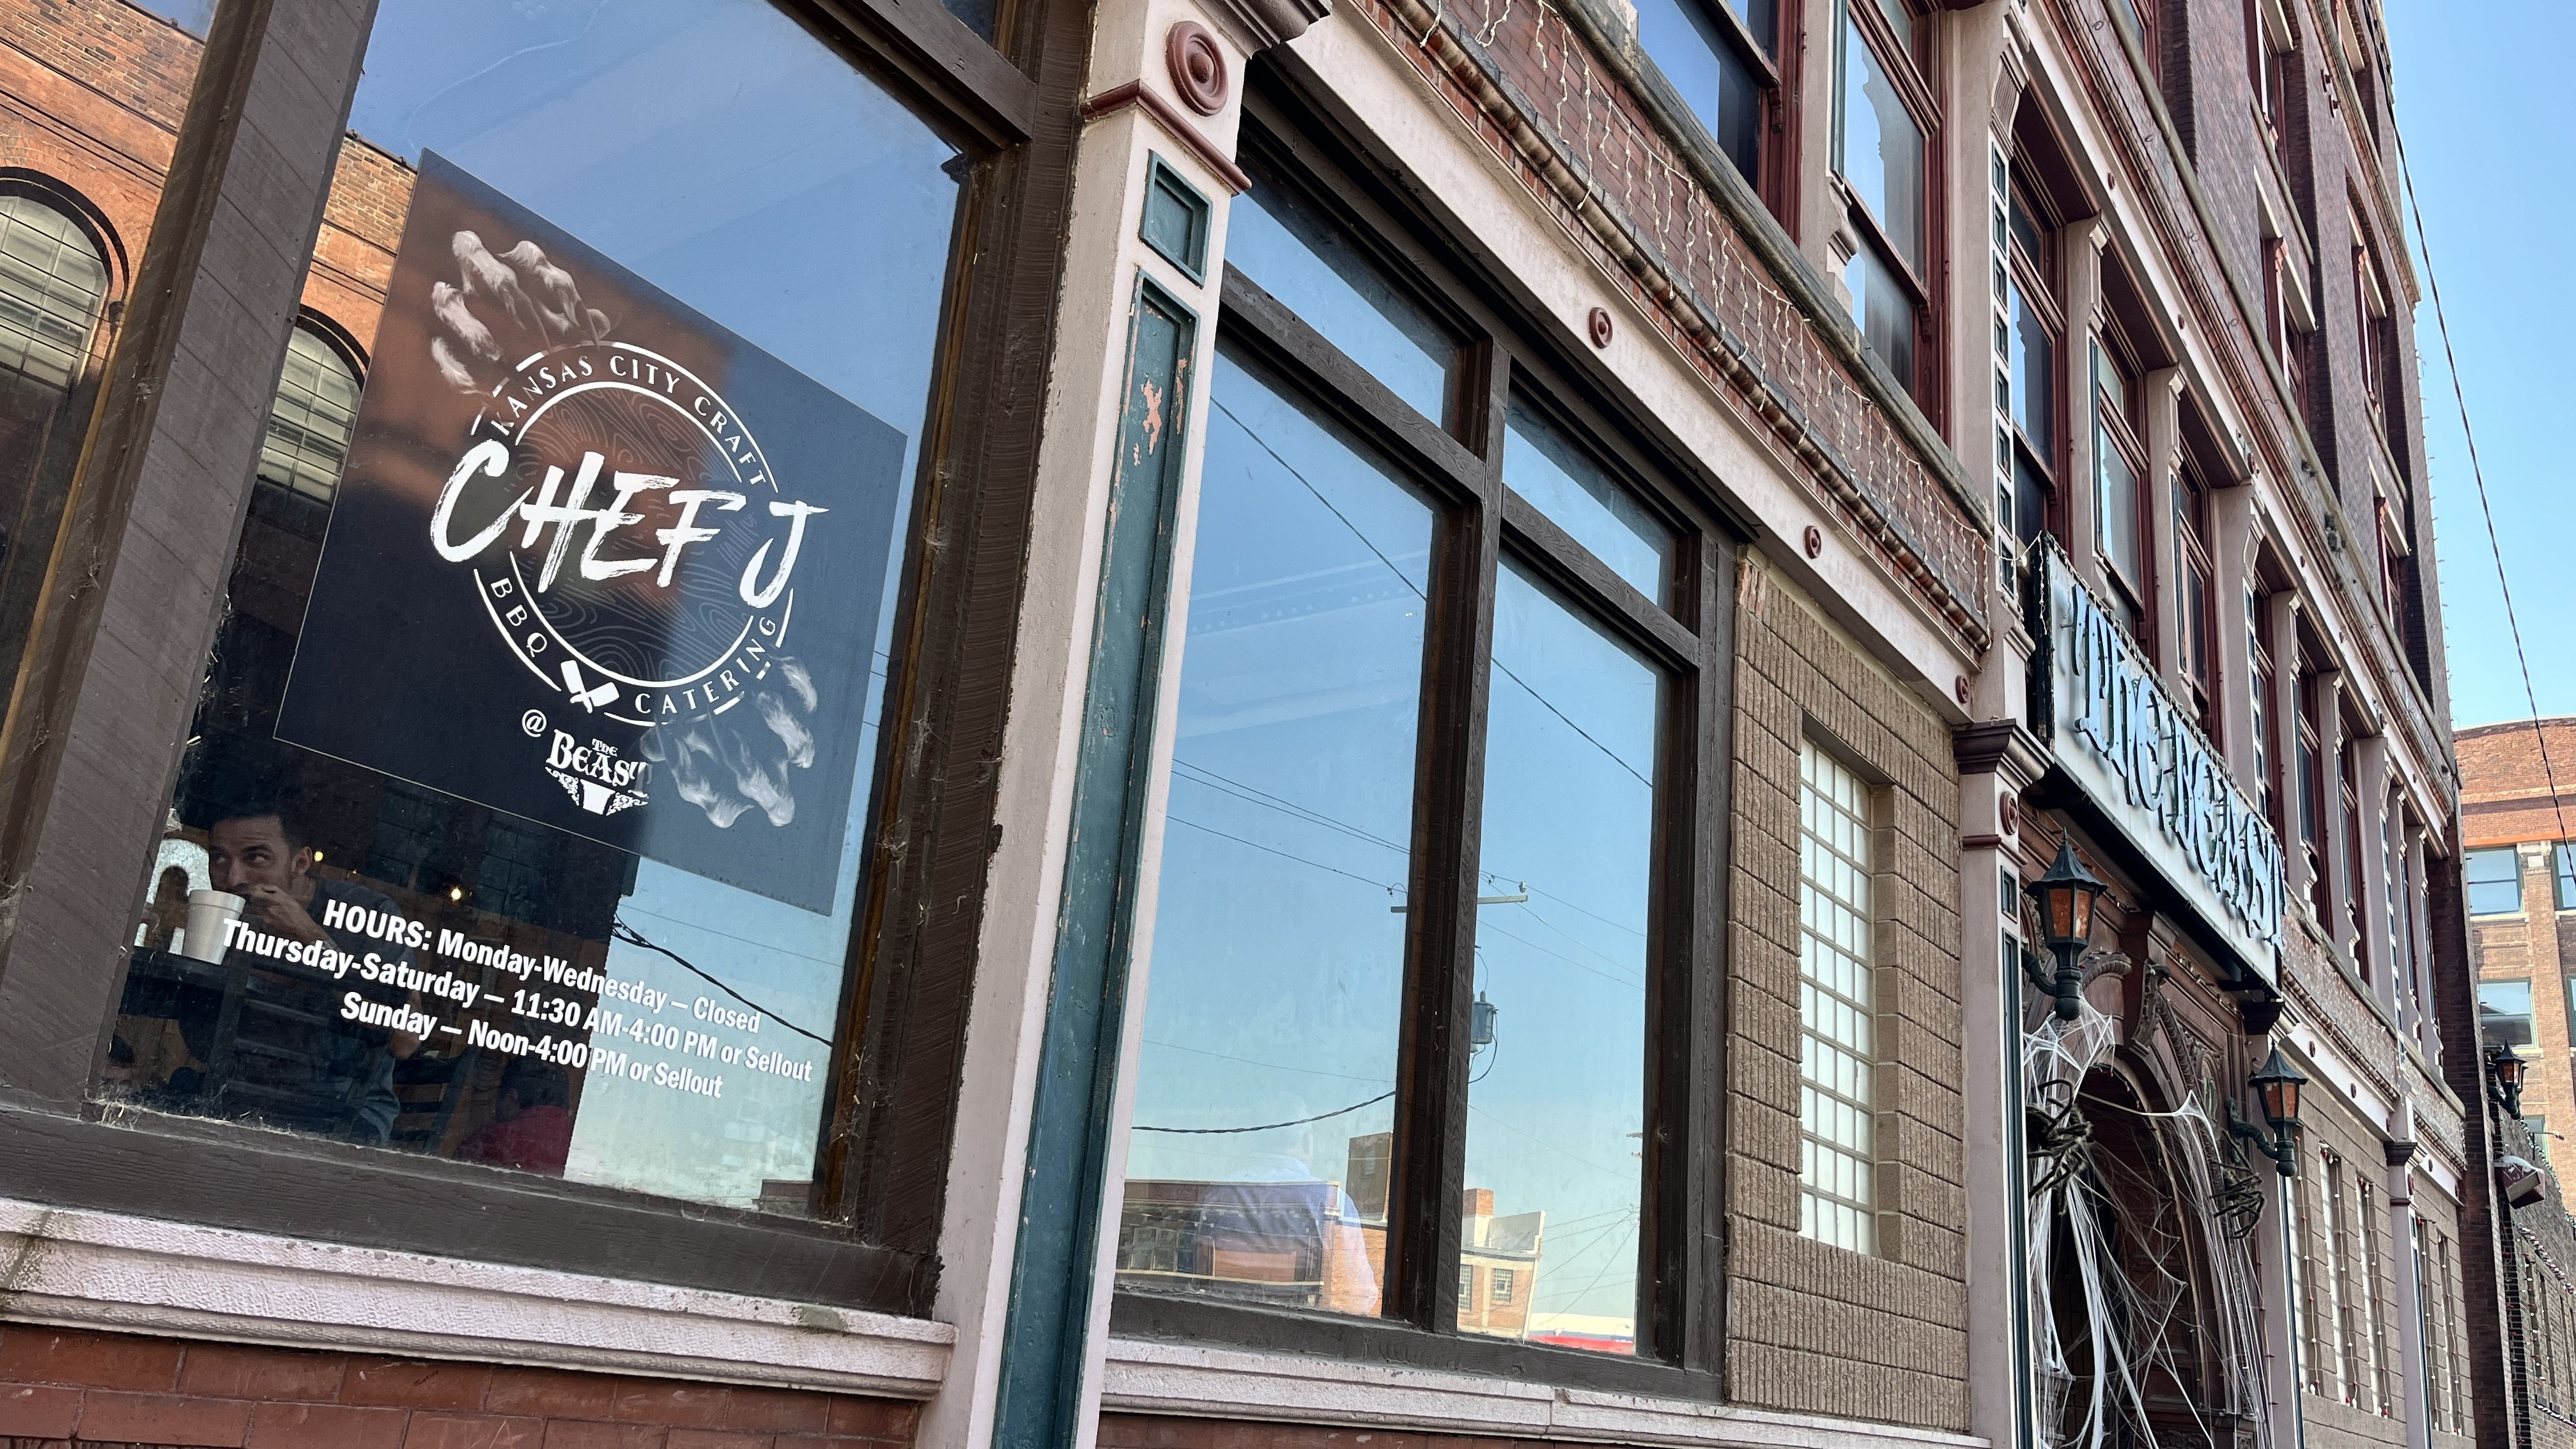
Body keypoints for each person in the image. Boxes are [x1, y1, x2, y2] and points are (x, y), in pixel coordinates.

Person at [164, 794, 420, 1143]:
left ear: (300, 862)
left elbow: (405, 1039)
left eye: (256, 857)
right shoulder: (228, 918)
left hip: (342, 1112)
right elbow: (200, 1044)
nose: (233, 878)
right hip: (235, 1099)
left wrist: (309, 936)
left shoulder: (368, 913)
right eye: (220, 858)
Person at [456, 1057, 575, 1175]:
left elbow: (458, 1173)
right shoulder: (577, 1143)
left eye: (498, 1095)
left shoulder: (492, 1138)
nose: (495, 1104)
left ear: (512, 1096)